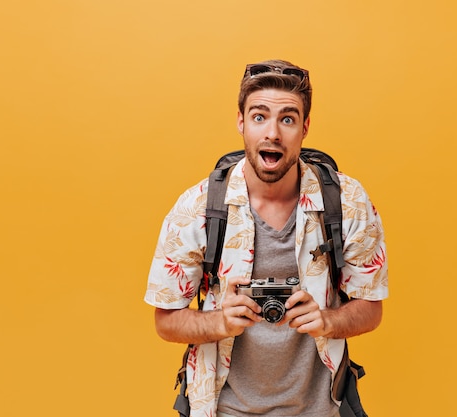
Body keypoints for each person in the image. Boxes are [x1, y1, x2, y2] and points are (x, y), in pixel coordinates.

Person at [144, 59, 388, 417]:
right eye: (259, 117)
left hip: (321, 408)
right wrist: (220, 323)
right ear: (241, 122)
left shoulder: (346, 201)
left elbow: (371, 308)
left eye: (287, 119)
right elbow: (165, 320)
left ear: (305, 128)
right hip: (223, 407)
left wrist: (327, 320)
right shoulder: (197, 209)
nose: (272, 133)